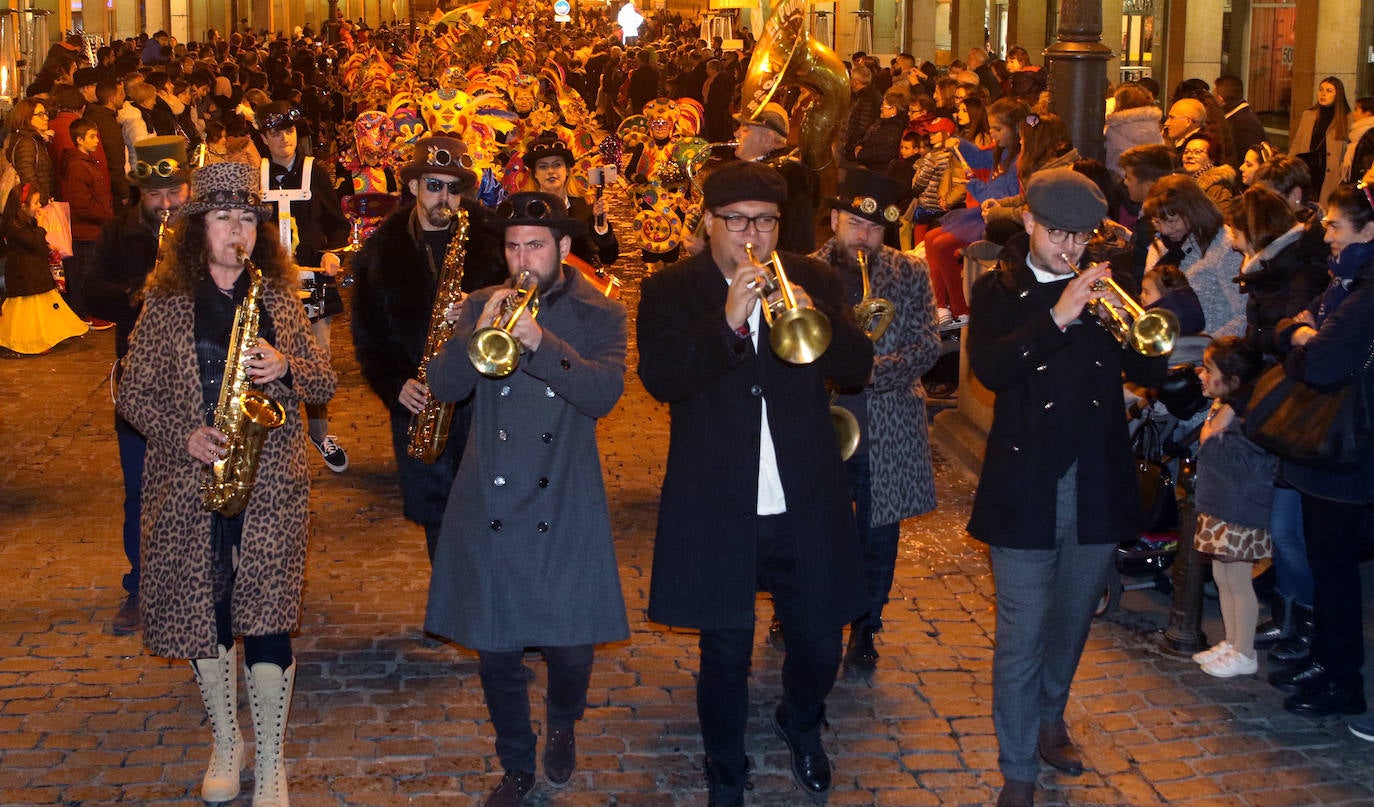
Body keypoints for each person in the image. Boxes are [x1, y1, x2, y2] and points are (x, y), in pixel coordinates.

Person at [637, 161, 874, 806]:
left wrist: (817, 313)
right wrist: (728, 324)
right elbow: (661, 379)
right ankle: (724, 765)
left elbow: (857, 368)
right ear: (709, 222)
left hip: (803, 496)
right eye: (737, 220)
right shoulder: (670, 289)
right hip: (718, 496)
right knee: (725, 651)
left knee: (821, 639)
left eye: (765, 221)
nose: (753, 234)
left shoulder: (812, 278)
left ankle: (800, 721)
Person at [115, 161, 336, 807]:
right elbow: (132, 393)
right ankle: (226, 742)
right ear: (197, 230)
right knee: (200, 612)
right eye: (223, 217)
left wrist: (288, 365)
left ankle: (269, 760)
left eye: (246, 218)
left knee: (266, 614)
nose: (237, 230)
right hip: (188, 478)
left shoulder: (276, 297)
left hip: (270, 479)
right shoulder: (165, 303)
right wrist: (183, 433)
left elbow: (323, 383)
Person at [422, 191, 630, 807]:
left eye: (534, 245)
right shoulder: (481, 305)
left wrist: (542, 344)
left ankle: (563, 720)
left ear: (563, 248)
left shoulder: (602, 314)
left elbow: (603, 395)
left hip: (565, 492)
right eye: (512, 246)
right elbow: (442, 385)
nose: (521, 259)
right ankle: (516, 763)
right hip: (489, 493)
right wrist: (473, 336)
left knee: (571, 647)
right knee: (497, 648)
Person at [967, 168, 1168, 807]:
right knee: (1021, 632)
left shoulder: (1111, 285)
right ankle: (1018, 769)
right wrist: (1058, 315)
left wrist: (1140, 324)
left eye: (1081, 236)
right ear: (1027, 221)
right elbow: (993, 370)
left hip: (1096, 480)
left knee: (1074, 617)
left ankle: (1052, 714)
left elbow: (1145, 363)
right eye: (1057, 233)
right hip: (1026, 481)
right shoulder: (1000, 289)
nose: (1070, 248)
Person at [350, 134, 505, 564]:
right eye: (434, 185)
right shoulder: (381, 253)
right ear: (414, 186)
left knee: (494, 513)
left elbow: (527, 298)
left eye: (455, 188)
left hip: (485, 398)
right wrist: (394, 384)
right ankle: (449, 609)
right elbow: (369, 338)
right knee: (440, 522)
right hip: (422, 404)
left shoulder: (492, 239)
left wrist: (484, 305)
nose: (445, 197)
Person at [810, 169, 940, 680]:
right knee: (814, 522)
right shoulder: (804, 271)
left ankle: (867, 625)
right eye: (857, 223)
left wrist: (865, 372)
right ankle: (804, 610)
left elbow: (928, 344)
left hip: (887, 416)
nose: (865, 236)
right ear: (836, 218)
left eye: (875, 228)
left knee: (879, 533)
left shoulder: (909, 273)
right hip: (821, 418)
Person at [1264, 182, 1374, 722]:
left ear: (1368, 231)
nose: (1325, 235)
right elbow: (1287, 328)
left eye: (1334, 226)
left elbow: (1320, 363)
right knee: (1322, 560)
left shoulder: (1364, 295)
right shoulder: (1343, 285)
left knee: (1334, 568)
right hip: (1324, 451)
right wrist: (1300, 335)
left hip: (1346, 454)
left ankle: (1342, 678)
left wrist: (1306, 340)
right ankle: (1323, 659)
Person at [84, 135, 192, 635]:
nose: (167, 204)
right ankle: (142, 585)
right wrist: (137, 294)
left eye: (175, 191)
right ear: (139, 193)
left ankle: (202, 584)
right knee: (140, 490)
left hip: (201, 381)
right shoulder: (117, 233)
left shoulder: (211, 229)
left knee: (203, 486)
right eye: (156, 194)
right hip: (141, 383)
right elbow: (89, 294)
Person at [257, 100, 351, 472]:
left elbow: (339, 224)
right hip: (270, 287)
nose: (285, 140)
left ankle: (318, 432)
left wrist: (332, 254)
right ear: (264, 138)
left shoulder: (317, 173)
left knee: (316, 361)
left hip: (314, 283)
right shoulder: (256, 176)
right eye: (277, 133)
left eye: (290, 132)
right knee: (266, 361)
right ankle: (273, 436)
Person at [1189, 336, 1275, 677]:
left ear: (1234, 380)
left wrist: (1212, 436)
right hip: (1219, 505)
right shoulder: (1225, 409)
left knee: (1239, 581)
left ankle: (1244, 651)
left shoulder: (1245, 417)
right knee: (1221, 575)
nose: (1201, 375)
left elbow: (1242, 465)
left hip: (1240, 509)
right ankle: (1231, 640)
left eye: (1209, 370)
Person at [1141, 175, 1245, 336]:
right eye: (1156, 222)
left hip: (1204, 351)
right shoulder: (1159, 246)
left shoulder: (1226, 246)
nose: (1164, 230)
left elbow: (1242, 315)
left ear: (1193, 211)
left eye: (1172, 221)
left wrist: (1205, 347)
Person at [0, 183, 88, 355]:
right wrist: (40, 226)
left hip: (35, 275)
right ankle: (28, 342)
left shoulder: (24, 223)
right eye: (36, 203)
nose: (40, 206)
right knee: (27, 315)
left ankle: (48, 337)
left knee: (42, 312)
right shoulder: (14, 228)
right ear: (23, 207)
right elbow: (33, 242)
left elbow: (37, 243)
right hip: (24, 277)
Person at [523, 131, 619, 268]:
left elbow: (609, 257)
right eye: (543, 166)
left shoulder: (585, 207)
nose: (551, 171)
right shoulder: (524, 212)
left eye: (557, 165)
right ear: (535, 174)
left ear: (567, 171)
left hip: (581, 283)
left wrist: (601, 227)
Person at [733, 102, 817, 254]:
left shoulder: (783, 175)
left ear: (768, 139)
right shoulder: (771, 172)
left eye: (745, 129)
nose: (736, 134)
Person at [1288, 76, 1350, 204]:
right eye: (1321, 89)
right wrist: (1289, 163)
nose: (1323, 94)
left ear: (1338, 94)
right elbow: (1298, 141)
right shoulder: (1309, 115)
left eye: (1329, 91)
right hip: (1308, 167)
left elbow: (1350, 148)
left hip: (1330, 173)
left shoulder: (1346, 119)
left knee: (1325, 207)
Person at [1103, 83, 1163, 178]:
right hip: (1150, 180)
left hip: (1121, 182)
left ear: (1119, 103)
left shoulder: (1113, 129)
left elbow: (1110, 161)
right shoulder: (1155, 128)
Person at [4, 98, 57, 202]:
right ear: (26, 117)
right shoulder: (27, 142)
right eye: (40, 114)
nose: (46, 118)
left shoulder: (36, 140)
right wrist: (43, 199)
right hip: (34, 204)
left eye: (46, 113)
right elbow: (27, 177)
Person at [1214, 75, 1267, 167]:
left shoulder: (1242, 122)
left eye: (1214, 96)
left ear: (1220, 99)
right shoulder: (1240, 117)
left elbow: (1250, 159)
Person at [1181, 132, 1240, 207]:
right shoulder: (1181, 184)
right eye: (1186, 152)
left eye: (1197, 152)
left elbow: (1225, 217)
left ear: (1212, 159)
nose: (1189, 156)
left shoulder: (1218, 189)